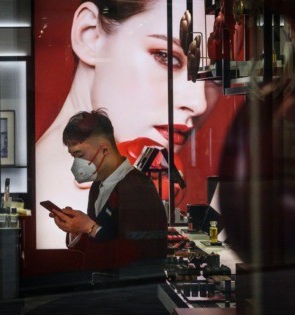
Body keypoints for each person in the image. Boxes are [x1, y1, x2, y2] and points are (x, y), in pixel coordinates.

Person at [36, 0, 222, 249]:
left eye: (211, 75)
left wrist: (87, 228)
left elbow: (135, 249)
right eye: (166, 56)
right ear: (89, 35)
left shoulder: (130, 184)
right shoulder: (104, 186)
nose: (198, 104)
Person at [48, 109, 168, 276]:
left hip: (129, 294)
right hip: (99, 288)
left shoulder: (138, 187)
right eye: (73, 156)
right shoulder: (98, 186)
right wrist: (76, 229)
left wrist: (90, 227)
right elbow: (97, 248)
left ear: (104, 149)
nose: (76, 163)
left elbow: (140, 253)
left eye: (80, 155)